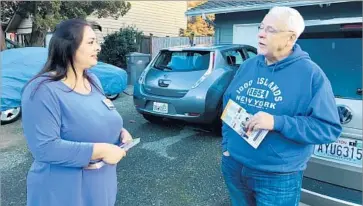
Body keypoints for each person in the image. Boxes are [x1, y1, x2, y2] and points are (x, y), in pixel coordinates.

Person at [221, 6, 342, 206]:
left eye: (271, 30)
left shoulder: (311, 75)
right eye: (261, 27)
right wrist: (226, 147)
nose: (261, 33)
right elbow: (228, 104)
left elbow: (328, 129)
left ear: (290, 38)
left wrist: (277, 122)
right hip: (234, 165)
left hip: (277, 177)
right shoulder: (248, 66)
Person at [21, 19, 133, 206]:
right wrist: (102, 150)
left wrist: (119, 132)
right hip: (61, 192)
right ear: (68, 47)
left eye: (96, 42)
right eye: (90, 42)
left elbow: (99, 116)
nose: (98, 47)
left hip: (100, 187)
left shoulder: (93, 81)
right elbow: (44, 148)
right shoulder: (41, 90)